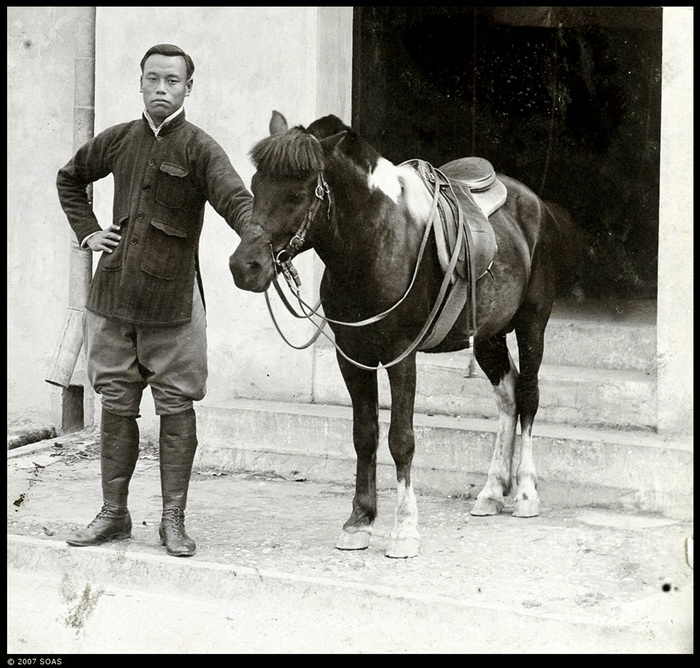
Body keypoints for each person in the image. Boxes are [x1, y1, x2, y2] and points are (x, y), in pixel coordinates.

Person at [56, 44, 253, 557]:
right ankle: (114, 514)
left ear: (190, 87)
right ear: (140, 84)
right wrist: (88, 233)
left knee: (176, 404)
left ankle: (172, 520)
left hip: (174, 305)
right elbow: (69, 179)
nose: (161, 88)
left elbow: (236, 201)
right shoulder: (119, 140)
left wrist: (257, 237)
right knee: (116, 403)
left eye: (172, 80)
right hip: (113, 295)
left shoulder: (201, 148)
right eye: (152, 79)